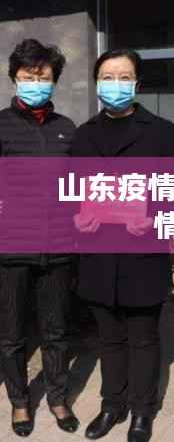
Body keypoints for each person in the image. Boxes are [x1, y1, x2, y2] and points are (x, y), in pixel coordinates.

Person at [70, 49, 174, 442]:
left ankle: (141, 410)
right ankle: (111, 405)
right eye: (107, 76)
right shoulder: (84, 134)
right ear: (97, 83)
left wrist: (156, 219)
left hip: (142, 253)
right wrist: (76, 217)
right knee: (109, 338)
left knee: (144, 337)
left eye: (123, 76)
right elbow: (71, 190)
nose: (114, 84)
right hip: (98, 254)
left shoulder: (161, 131)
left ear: (136, 83)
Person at [0, 39, 79, 437]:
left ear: (54, 80)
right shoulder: (1, 125)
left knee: (56, 331)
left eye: (43, 76)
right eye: (28, 76)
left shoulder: (67, 128)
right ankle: (19, 400)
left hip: (59, 248)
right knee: (11, 335)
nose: (35, 82)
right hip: (11, 250)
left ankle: (58, 396)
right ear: (15, 78)